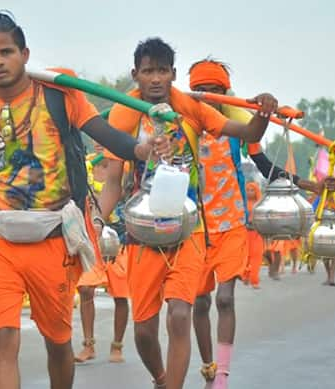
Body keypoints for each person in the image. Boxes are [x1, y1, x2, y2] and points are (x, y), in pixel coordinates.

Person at [0, 13, 170, 389]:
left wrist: (142, 149)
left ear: (25, 54)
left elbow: (107, 135)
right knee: (3, 341)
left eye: (6, 52)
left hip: (53, 241)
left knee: (58, 343)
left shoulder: (61, 95)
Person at [98, 39, 277, 389]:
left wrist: (264, 111)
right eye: (147, 71)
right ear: (135, 74)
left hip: (187, 232)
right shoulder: (123, 115)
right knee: (144, 331)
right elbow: (113, 184)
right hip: (142, 234)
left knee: (180, 314)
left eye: (162, 71)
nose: (155, 79)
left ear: (173, 75)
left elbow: (249, 132)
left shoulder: (191, 109)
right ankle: (162, 379)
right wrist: (97, 222)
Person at [186, 58, 334, 388]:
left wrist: (308, 185)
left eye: (215, 91)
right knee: (199, 301)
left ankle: (221, 377)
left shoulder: (239, 129)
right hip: (196, 226)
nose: (209, 96)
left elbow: (265, 165)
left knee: (225, 299)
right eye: (201, 91)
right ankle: (208, 366)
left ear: (226, 93)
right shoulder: (185, 126)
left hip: (233, 223)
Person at [74, 147, 130, 364]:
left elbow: (123, 191)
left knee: (120, 294)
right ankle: (88, 345)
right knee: (86, 288)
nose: (100, 143)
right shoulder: (85, 166)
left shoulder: (123, 166)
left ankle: (117, 346)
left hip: (120, 239)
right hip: (92, 238)